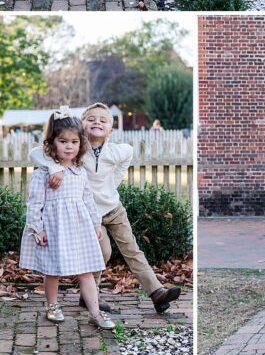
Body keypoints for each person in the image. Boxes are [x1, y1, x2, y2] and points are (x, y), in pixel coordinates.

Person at [29, 103, 182, 314]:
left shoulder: (118, 150)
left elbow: (125, 159)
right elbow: (36, 153)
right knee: (102, 252)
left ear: (111, 129)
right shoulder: (76, 149)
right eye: (91, 119)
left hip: (113, 208)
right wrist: (55, 168)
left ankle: (156, 292)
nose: (97, 122)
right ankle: (89, 296)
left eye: (103, 120)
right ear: (82, 126)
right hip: (90, 213)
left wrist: (112, 186)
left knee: (132, 249)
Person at [18, 109, 114, 329]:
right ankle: (52, 306)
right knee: (53, 271)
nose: (69, 146)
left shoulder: (80, 171)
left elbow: (88, 198)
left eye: (74, 141)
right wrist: (37, 229)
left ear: (81, 144)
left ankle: (95, 312)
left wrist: (95, 222)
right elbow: (35, 203)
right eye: (63, 141)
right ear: (52, 143)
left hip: (79, 228)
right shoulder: (44, 172)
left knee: (86, 270)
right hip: (54, 227)